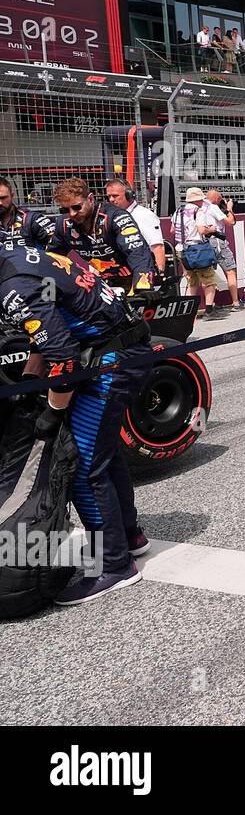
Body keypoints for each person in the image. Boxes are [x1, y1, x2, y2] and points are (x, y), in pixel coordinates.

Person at [0, 245, 153, 603]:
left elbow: (63, 358)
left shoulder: (13, 285)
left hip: (111, 357)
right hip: (118, 345)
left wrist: (52, 412)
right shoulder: (18, 255)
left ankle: (114, 566)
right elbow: (50, 331)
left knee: (82, 466)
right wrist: (28, 383)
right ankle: (130, 537)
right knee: (104, 452)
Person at [49, 178, 155, 297]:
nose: (72, 213)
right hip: (103, 283)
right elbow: (52, 258)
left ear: (90, 199)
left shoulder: (116, 216)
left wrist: (144, 286)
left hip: (132, 280)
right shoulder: (63, 224)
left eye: (77, 207)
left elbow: (137, 251)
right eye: (65, 210)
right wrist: (48, 292)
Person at [173, 187, 223, 317]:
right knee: (210, 279)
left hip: (182, 250)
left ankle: (187, 312)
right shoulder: (198, 211)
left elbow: (173, 230)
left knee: (191, 281)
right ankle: (209, 310)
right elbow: (201, 230)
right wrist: (211, 229)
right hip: (198, 249)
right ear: (198, 200)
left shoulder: (179, 211)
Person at [104, 179, 165, 275]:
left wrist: (158, 275)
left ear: (129, 195)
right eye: (109, 196)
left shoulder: (144, 215)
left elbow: (157, 246)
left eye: (115, 196)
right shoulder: (109, 217)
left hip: (141, 272)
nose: (111, 199)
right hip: (119, 273)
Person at [201, 189, 241, 307]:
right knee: (230, 271)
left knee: (207, 274)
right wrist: (229, 208)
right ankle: (236, 302)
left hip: (204, 242)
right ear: (217, 199)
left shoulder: (199, 207)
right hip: (217, 241)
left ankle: (210, 304)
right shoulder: (213, 207)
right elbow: (230, 222)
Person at [0, 175, 56, 248]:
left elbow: (57, 245)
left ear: (12, 195)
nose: (0, 203)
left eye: (3, 198)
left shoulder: (31, 219)